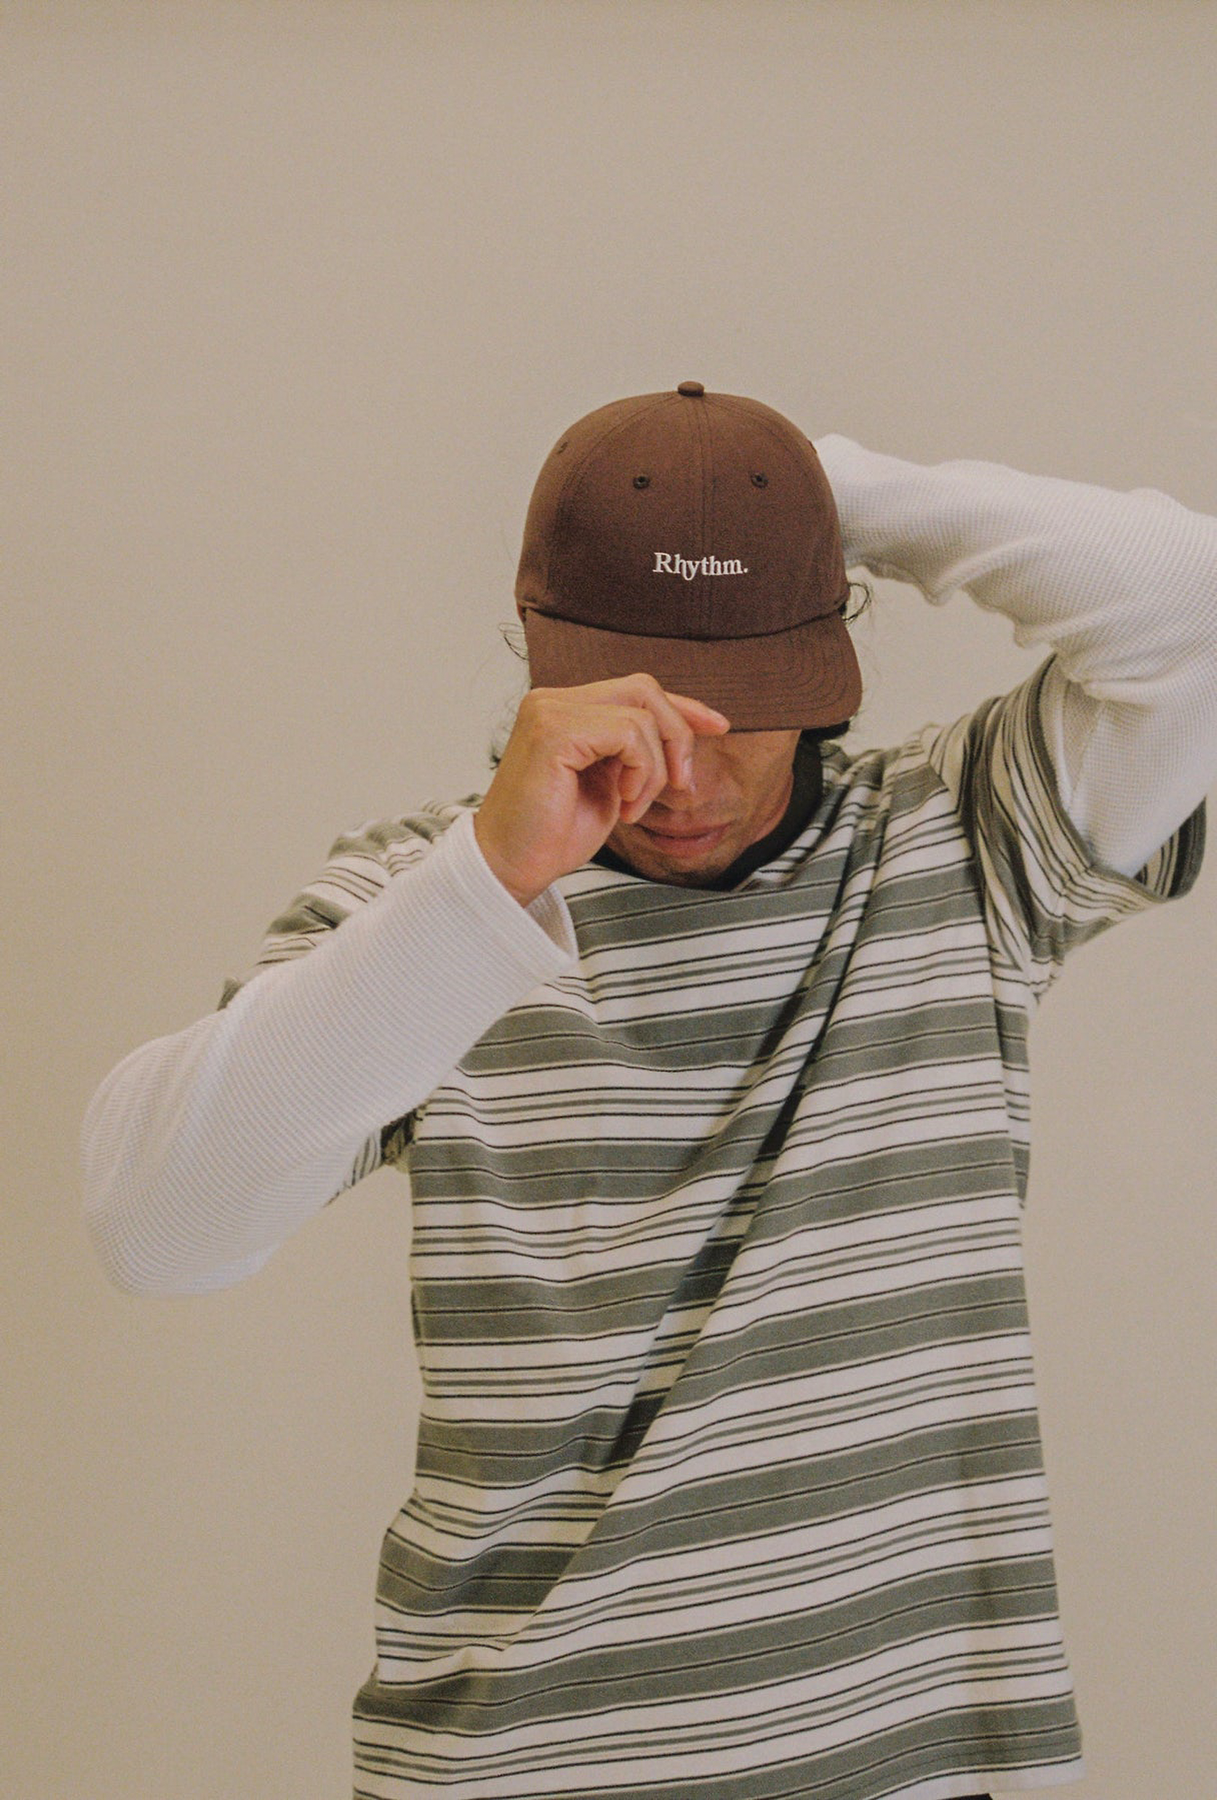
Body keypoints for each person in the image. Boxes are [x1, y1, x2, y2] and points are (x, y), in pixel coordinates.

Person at [80, 382, 1217, 1800]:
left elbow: (1196, 602)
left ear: (826, 661)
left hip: (912, 1765)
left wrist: (816, 500)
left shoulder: (959, 843)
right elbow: (152, 1224)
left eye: (745, 704)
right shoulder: (429, 901)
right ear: (545, 662)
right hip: (520, 1764)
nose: (685, 770)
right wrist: (488, 884)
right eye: (644, 700)